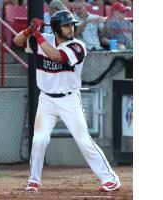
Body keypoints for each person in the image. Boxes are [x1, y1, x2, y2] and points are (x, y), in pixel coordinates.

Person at [13, 10, 121, 192]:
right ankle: (34, 181)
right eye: (66, 25)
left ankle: (110, 179)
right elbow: (17, 42)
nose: (71, 28)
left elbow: (56, 55)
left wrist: (37, 34)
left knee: (84, 141)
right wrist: (29, 30)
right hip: (46, 100)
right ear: (56, 28)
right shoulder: (43, 39)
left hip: (69, 100)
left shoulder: (77, 46)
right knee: (39, 140)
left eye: (71, 24)